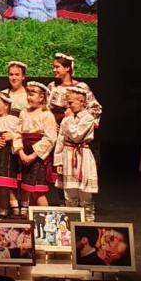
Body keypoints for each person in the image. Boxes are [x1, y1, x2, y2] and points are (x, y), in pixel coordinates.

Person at [54, 86, 99, 221]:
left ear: (82, 102)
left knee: (85, 194)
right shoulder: (67, 119)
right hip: (67, 156)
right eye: (68, 103)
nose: (69, 106)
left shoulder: (88, 118)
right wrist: (58, 161)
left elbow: (76, 136)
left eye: (71, 102)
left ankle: (88, 223)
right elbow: (60, 140)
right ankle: (71, 223)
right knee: (69, 193)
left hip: (82, 156)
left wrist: (68, 120)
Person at [12, 81, 57, 215]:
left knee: (38, 191)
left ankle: (47, 220)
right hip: (25, 154)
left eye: (32, 94)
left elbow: (50, 138)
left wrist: (32, 155)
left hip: (37, 157)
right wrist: (20, 152)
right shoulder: (24, 113)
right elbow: (17, 133)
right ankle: (34, 221)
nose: (29, 97)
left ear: (42, 97)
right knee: (28, 190)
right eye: (28, 94)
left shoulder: (46, 114)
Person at [46, 52, 102, 128]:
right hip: (55, 128)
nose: (54, 70)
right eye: (53, 67)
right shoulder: (52, 86)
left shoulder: (81, 87)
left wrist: (78, 118)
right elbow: (46, 107)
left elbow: (95, 108)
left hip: (75, 128)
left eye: (57, 67)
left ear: (67, 68)